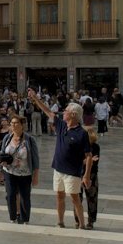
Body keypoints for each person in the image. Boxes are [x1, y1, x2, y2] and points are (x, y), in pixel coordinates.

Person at [30, 91, 87, 229]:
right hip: (58, 168)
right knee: (59, 196)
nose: (63, 112)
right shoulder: (61, 125)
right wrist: (35, 99)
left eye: (66, 111)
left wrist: (86, 175)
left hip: (72, 171)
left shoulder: (81, 133)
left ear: (73, 114)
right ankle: (60, 221)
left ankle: (82, 224)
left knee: (75, 198)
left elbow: (88, 155)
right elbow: (47, 111)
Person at [0, 116, 39, 224]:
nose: (13, 125)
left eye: (16, 123)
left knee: (25, 197)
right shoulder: (7, 138)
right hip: (9, 172)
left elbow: (35, 158)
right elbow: (1, 154)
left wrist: (35, 175)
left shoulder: (29, 140)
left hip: (25, 173)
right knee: (10, 195)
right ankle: (13, 217)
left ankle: (25, 219)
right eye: (12, 123)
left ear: (22, 125)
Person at [82, 126, 101, 229]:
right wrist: (88, 160)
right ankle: (79, 220)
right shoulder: (79, 145)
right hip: (79, 174)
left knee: (92, 199)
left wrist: (84, 161)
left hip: (91, 175)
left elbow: (95, 161)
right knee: (77, 198)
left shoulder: (95, 146)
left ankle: (90, 221)